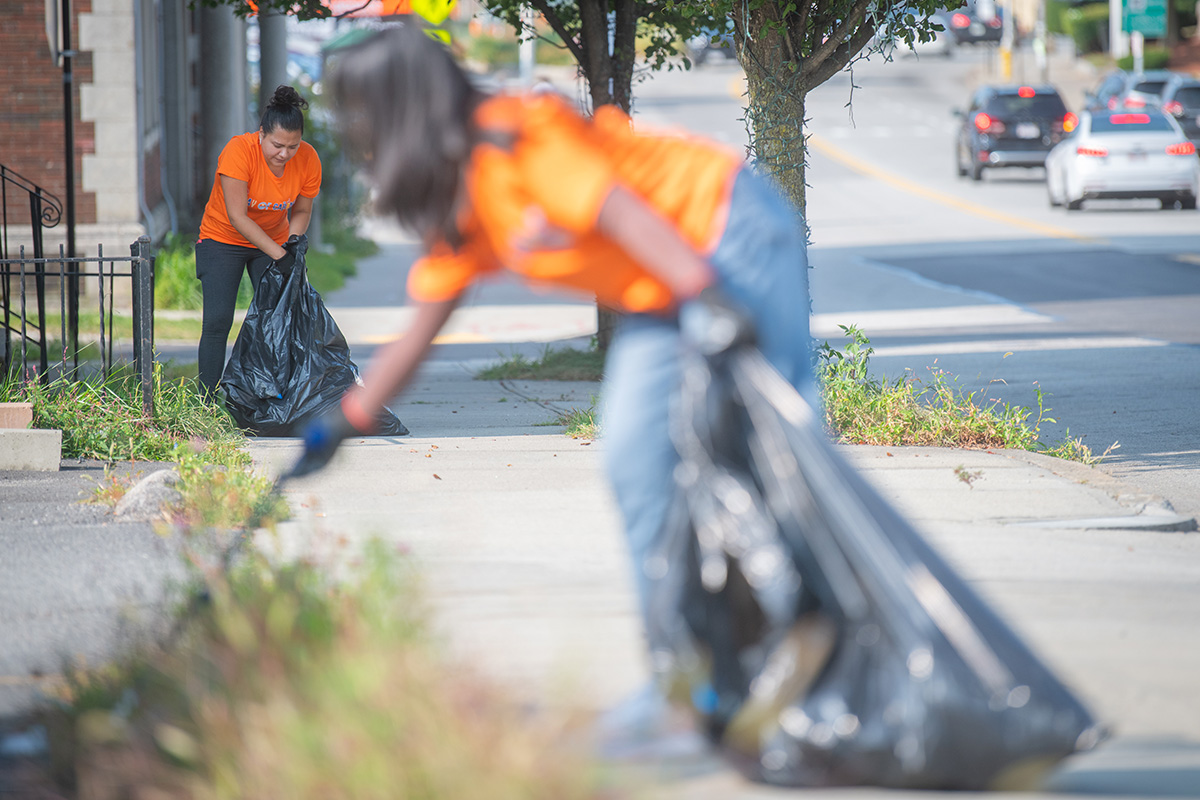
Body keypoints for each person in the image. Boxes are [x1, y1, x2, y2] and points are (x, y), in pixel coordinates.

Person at [291, 23, 814, 627]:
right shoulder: (462, 196)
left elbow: (620, 211)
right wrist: (345, 422)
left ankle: (826, 639)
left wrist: (710, 299)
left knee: (780, 445)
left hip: (724, 235)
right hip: (666, 288)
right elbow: (423, 328)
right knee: (635, 459)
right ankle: (690, 673)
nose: (359, 137)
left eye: (363, 117)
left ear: (401, 111)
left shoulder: (516, 138)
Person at [195, 85, 322, 399]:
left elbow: (303, 209)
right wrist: (281, 254)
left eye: (293, 146)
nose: (284, 154)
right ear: (261, 134)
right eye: (277, 145)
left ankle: (274, 401)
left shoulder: (307, 159)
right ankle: (205, 405)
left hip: (273, 240)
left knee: (279, 319)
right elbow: (238, 216)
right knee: (218, 320)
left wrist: (293, 242)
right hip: (222, 238)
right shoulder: (239, 151)